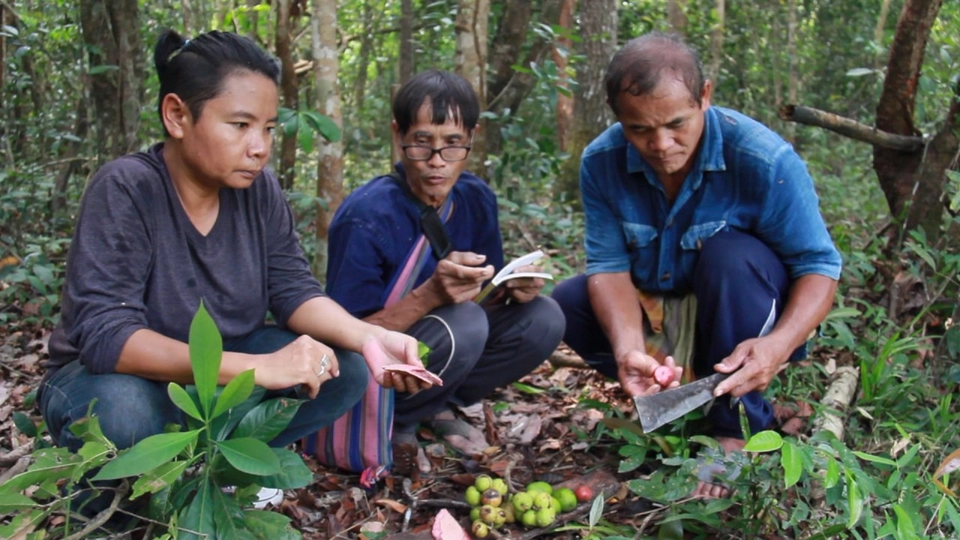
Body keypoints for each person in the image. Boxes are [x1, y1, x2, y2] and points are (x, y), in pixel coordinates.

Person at [39, 29, 430, 514]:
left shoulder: (259, 191)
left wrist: (371, 338)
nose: (260, 147)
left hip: (213, 375)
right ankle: (127, 489)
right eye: (241, 125)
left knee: (344, 367)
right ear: (178, 115)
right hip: (108, 379)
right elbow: (106, 338)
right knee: (126, 412)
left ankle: (217, 466)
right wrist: (260, 368)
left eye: (268, 128)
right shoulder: (126, 188)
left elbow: (292, 290)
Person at [550, 32, 842, 497]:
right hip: (663, 309)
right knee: (566, 300)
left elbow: (820, 266)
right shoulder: (601, 162)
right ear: (618, 118)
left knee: (730, 256)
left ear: (704, 96)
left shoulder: (761, 160)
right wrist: (628, 348)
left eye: (676, 123)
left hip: (740, 309)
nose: (660, 144)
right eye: (639, 129)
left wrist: (780, 344)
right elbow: (608, 267)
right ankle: (670, 395)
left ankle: (734, 428)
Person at [325, 70, 565, 470]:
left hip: (449, 346)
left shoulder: (476, 198)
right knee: (464, 323)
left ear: (471, 138)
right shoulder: (365, 216)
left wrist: (513, 288)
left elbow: (486, 298)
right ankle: (399, 418)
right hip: (379, 364)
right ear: (398, 135)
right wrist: (430, 295)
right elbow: (343, 338)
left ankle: (439, 406)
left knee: (544, 319)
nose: (436, 163)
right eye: (422, 143)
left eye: (452, 145)